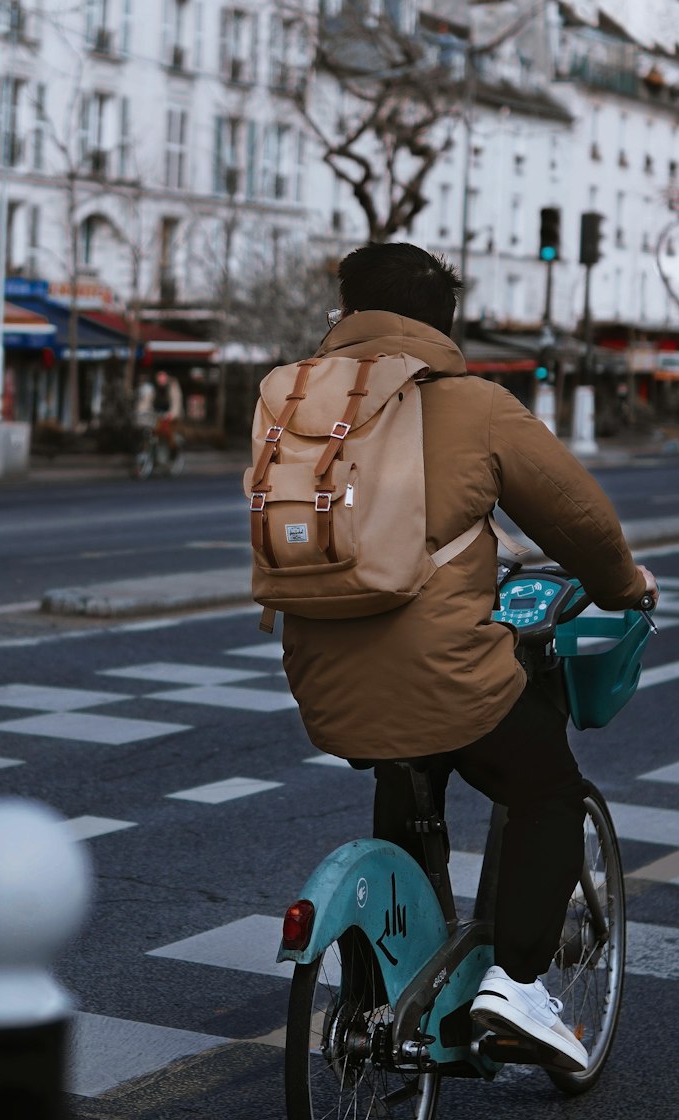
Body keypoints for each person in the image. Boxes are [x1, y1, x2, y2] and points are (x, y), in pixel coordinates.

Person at [278, 242, 656, 1072]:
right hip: (448, 679)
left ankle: (401, 982)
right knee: (545, 785)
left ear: (347, 317)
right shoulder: (475, 405)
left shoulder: (297, 404)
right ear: (440, 325)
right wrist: (626, 586)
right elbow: (578, 521)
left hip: (322, 683)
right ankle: (517, 986)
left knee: (404, 762)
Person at [135, 369, 183, 459]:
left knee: (168, 433)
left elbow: (176, 402)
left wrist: (172, 414)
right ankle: (152, 453)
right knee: (149, 431)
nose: (161, 379)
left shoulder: (172, 386)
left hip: (169, 415)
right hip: (156, 414)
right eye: (159, 376)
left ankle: (173, 451)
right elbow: (146, 401)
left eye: (163, 376)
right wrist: (140, 410)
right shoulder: (154, 387)